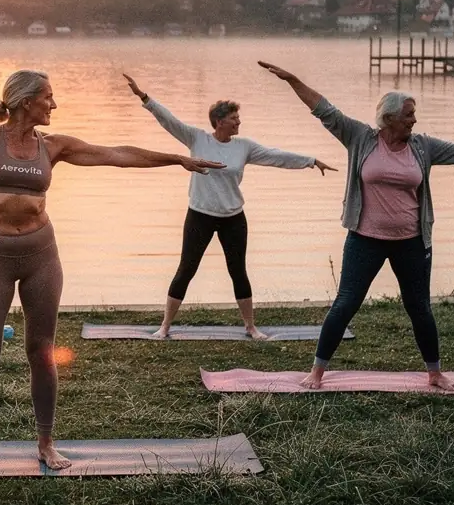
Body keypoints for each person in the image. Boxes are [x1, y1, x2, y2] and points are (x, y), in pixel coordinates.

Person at [0, 0, 225, 471]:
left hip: (42, 255)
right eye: (48, 97)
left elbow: (116, 153)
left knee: (42, 352)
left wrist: (176, 159)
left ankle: (45, 443)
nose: (54, 104)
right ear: (25, 101)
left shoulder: (54, 146)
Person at [259, 60, 454, 389]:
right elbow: (325, 110)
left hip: (411, 242)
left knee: (419, 308)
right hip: (364, 240)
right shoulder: (360, 137)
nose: (415, 119)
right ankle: (316, 371)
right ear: (390, 118)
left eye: (414, 114)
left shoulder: (423, 146)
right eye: (409, 114)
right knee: (345, 304)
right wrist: (293, 79)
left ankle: (435, 373)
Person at [123, 74, 335, 339]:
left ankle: (250, 327)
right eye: (234, 118)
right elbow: (169, 121)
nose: (239, 122)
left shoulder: (243, 147)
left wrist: (311, 160)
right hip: (200, 216)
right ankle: (165, 326)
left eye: (238, 117)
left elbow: (275, 156)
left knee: (238, 271)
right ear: (220, 121)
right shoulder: (197, 138)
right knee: (186, 269)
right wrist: (144, 97)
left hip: (233, 218)